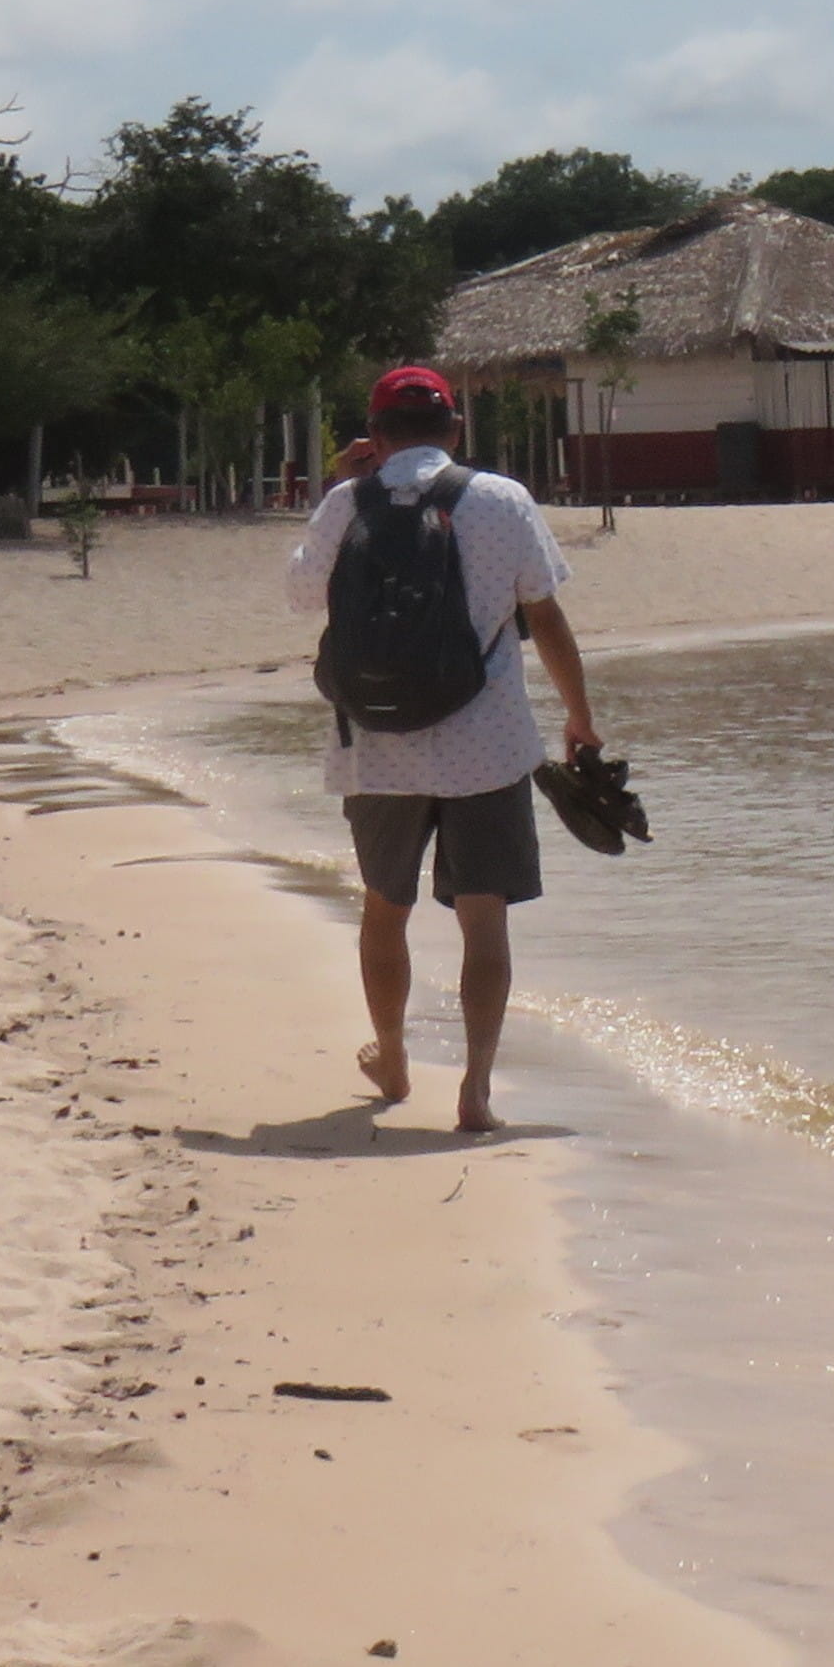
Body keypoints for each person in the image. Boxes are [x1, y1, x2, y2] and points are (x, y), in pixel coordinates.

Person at [284, 365, 599, 1134]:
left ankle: (391, 1059)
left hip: (377, 748)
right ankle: (476, 1092)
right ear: (456, 431)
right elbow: (545, 616)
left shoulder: (343, 503)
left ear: (376, 432)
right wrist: (579, 717)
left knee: (384, 910)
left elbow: (299, 596)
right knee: (484, 921)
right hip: (485, 743)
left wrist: (338, 483)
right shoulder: (502, 499)